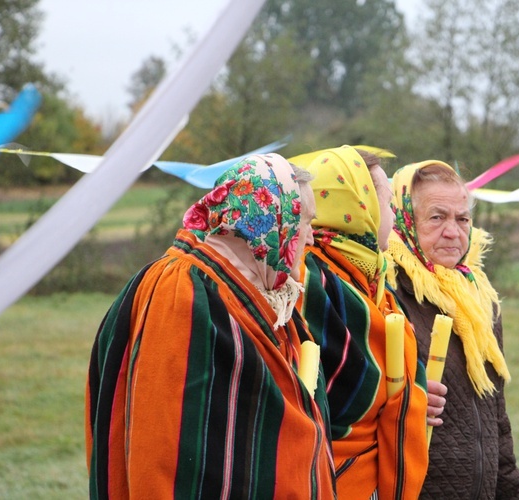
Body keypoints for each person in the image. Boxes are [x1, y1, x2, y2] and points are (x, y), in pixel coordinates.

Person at [84, 154, 335, 499]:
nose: (310, 238)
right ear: (269, 221)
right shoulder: (181, 290)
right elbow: (165, 447)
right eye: (304, 221)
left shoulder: (251, 289)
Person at [386, 160, 519, 499]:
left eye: (462, 218)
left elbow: (496, 422)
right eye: (437, 217)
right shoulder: (386, 295)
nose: (453, 231)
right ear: (404, 219)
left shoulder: (479, 299)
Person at [297, 145, 428, 499]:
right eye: (386, 203)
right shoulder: (312, 283)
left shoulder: (368, 280)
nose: (394, 217)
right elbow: (348, 397)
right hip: (332, 482)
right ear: (360, 207)